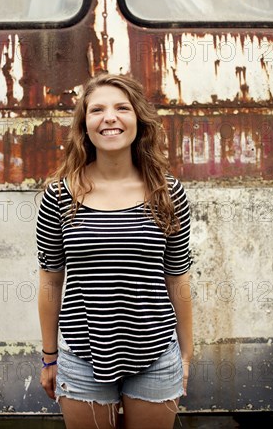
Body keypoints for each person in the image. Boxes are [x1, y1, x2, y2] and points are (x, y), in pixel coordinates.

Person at [36, 73, 193, 429]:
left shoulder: (167, 194)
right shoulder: (60, 197)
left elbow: (178, 278)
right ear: (84, 125)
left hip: (155, 356)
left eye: (122, 107)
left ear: (138, 120)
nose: (110, 117)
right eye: (97, 110)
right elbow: (49, 282)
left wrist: (185, 355)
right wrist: (49, 358)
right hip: (81, 358)